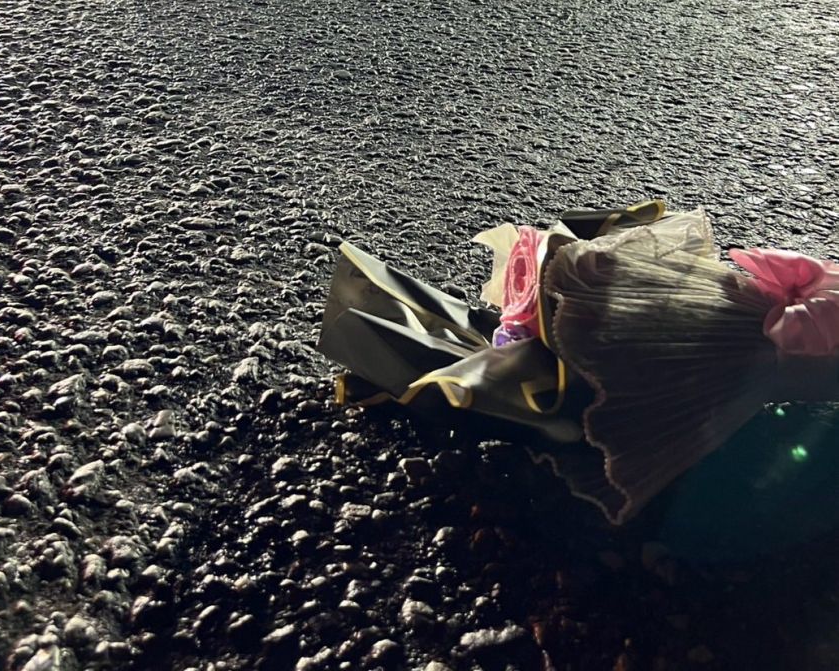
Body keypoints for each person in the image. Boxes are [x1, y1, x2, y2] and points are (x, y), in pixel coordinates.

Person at [319, 199, 839, 524]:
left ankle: (411, 340)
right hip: (744, 346)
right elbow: (792, 333)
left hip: (745, 337)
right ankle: (434, 351)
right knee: (610, 356)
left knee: (594, 352)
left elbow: (793, 322)